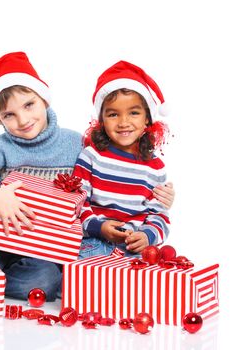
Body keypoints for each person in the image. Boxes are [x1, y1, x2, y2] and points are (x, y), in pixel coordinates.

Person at [0, 53, 175, 301]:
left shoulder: (78, 145)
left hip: (40, 244)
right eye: (8, 114)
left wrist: (161, 195)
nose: (23, 119)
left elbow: (110, 173)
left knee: (46, 281)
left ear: (44, 99)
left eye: (29, 105)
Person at [73, 60, 171, 259]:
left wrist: (147, 235)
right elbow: (77, 201)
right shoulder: (92, 156)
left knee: (145, 286)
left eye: (134, 113)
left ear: (147, 119)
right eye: (113, 114)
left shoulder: (155, 168)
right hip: (92, 244)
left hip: (134, 249)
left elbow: (159, 214)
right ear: (102, 120)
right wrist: (98, 226)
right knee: (84, 285)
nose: (123, 122)